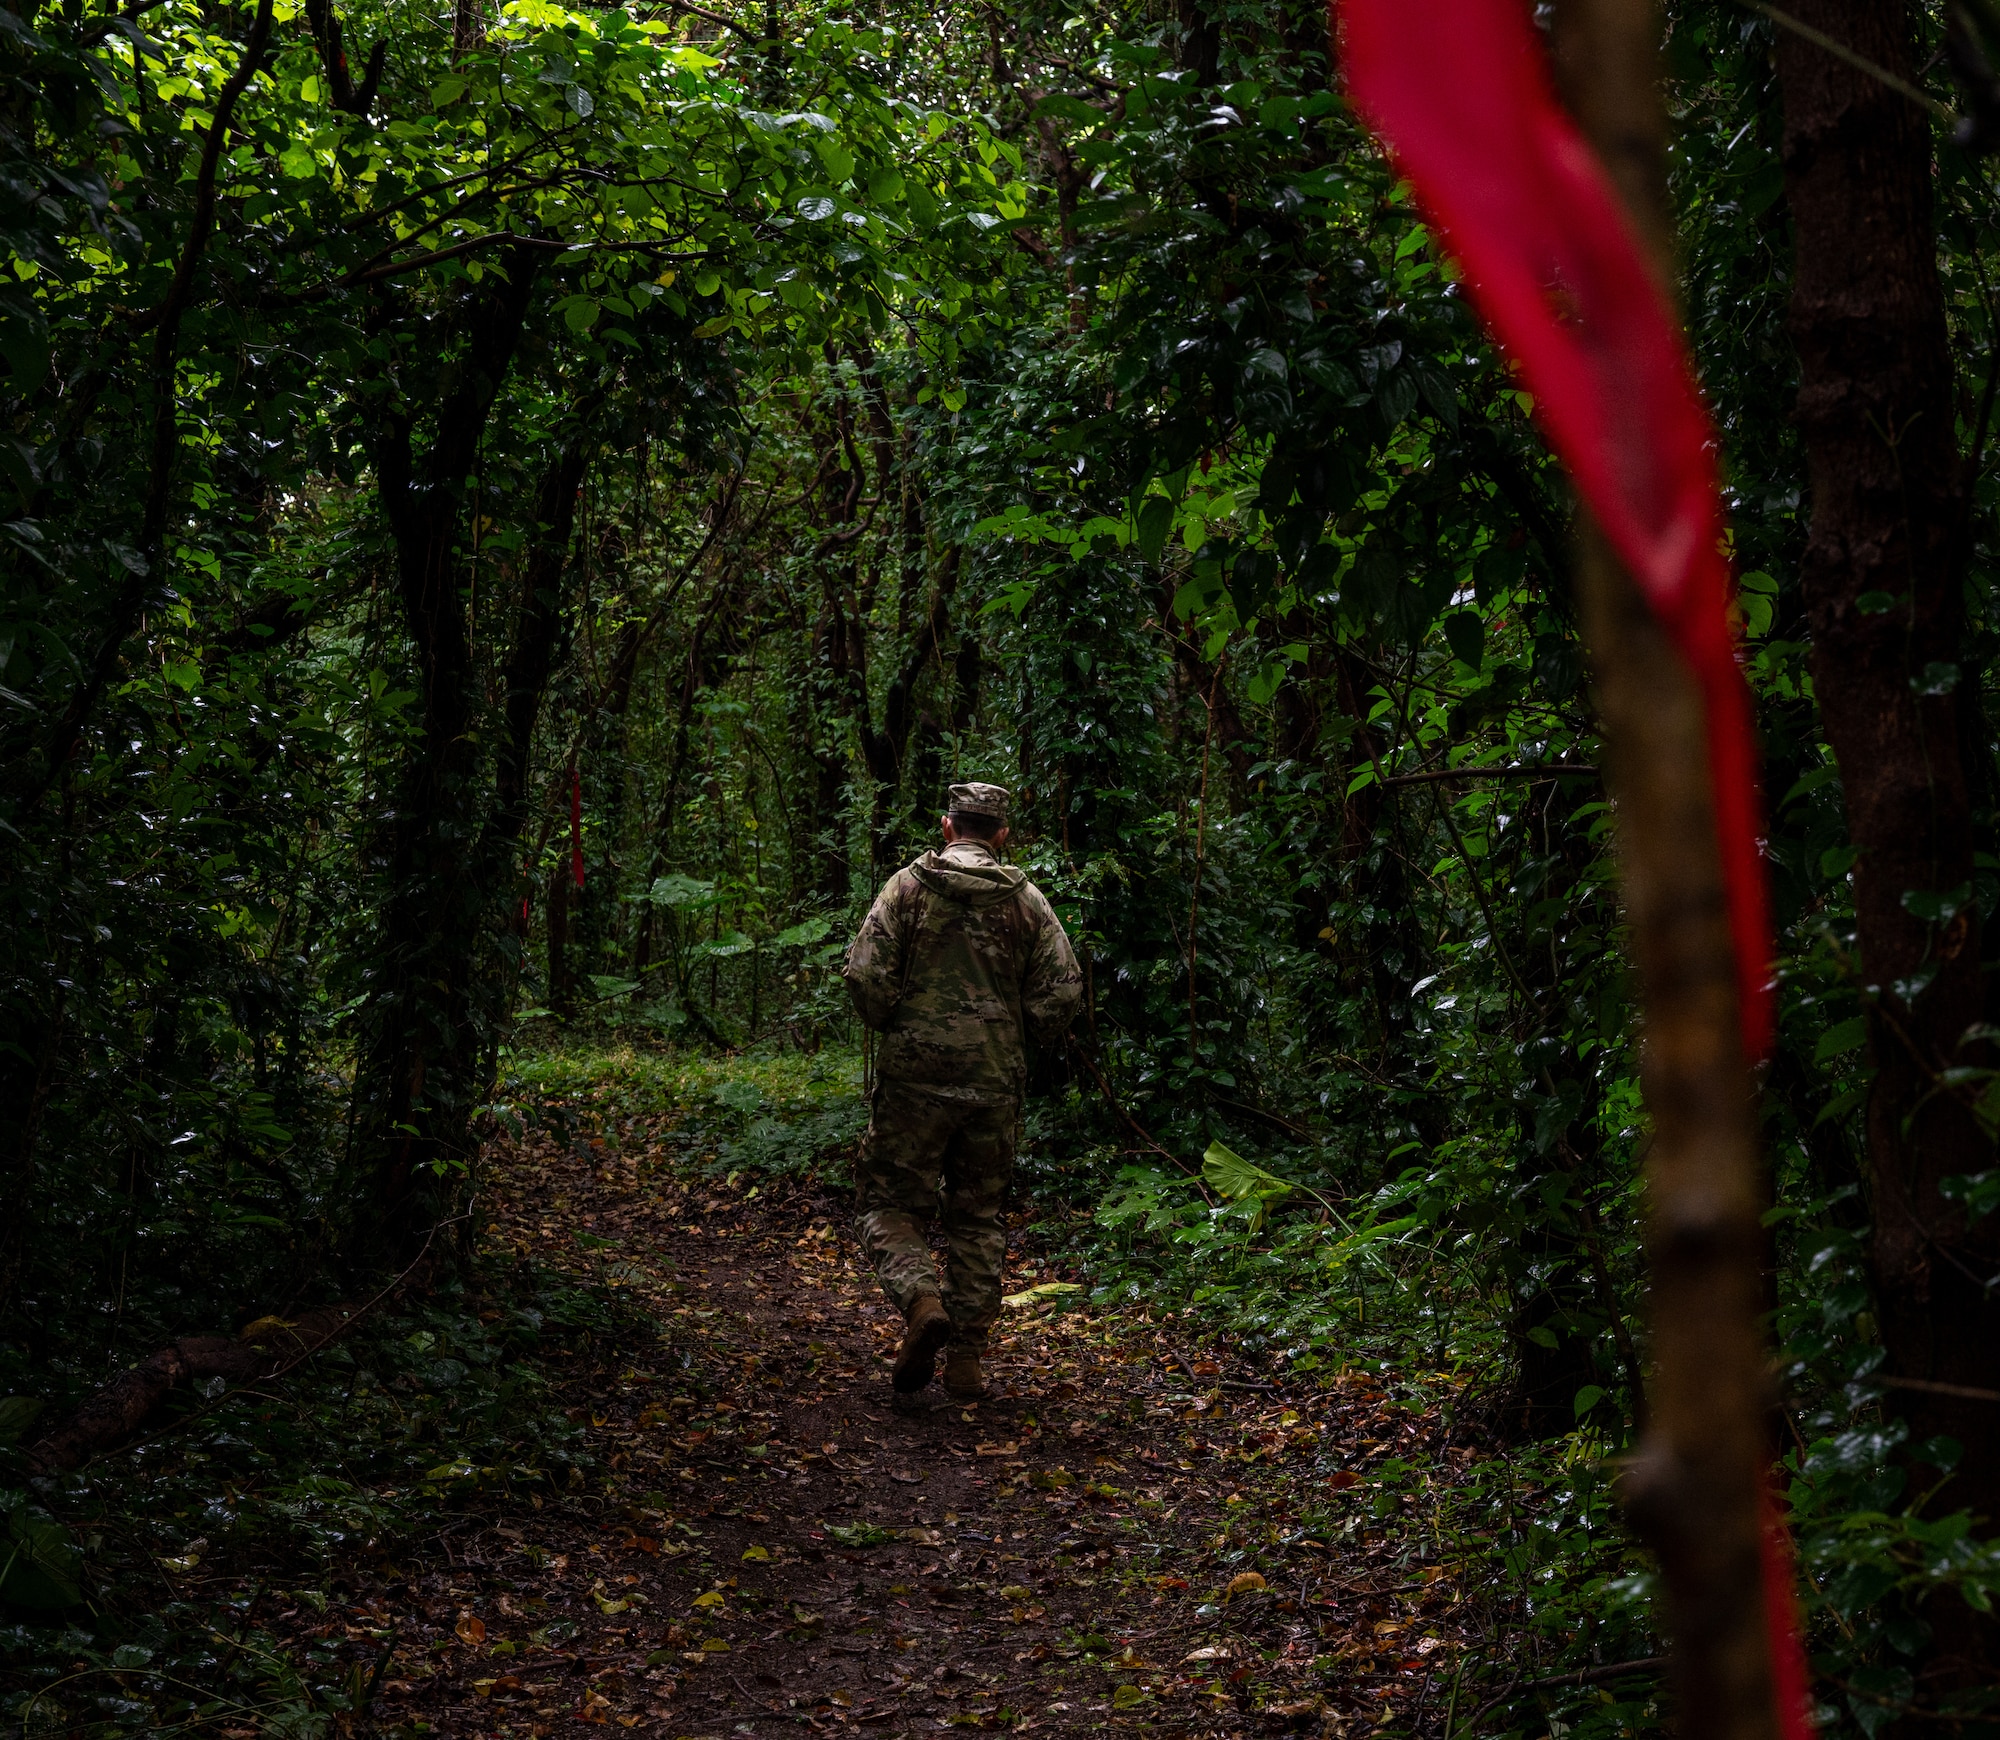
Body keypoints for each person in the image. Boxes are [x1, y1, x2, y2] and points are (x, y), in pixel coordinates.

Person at [842, 783, 1083, 1399]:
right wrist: (1013, 1030)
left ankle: (922, 1301)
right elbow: (1061, 992)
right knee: (977, 1216)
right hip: (993, 1081)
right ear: (1000, 835)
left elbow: (866, 976)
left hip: (913, 1079)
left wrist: (896, 1021)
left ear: (948, 827)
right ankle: (968, 1361)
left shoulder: (906, 889)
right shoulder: (1026, 900)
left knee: (887, 1200)